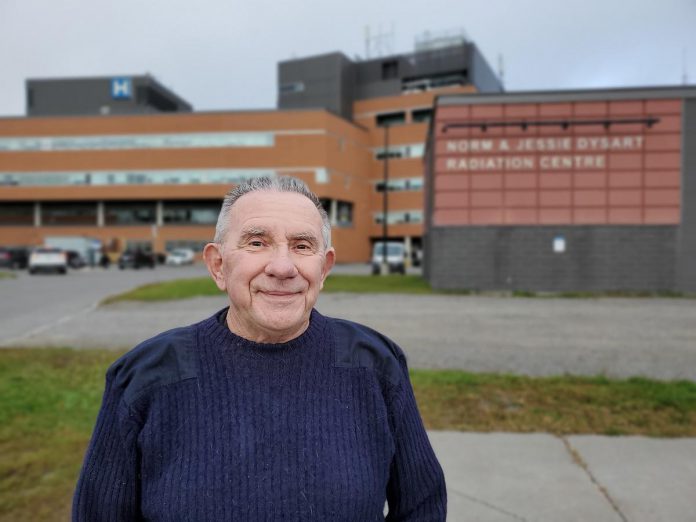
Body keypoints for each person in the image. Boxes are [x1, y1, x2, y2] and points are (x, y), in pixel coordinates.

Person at [73, 176, 446, 521]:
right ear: (218, 264)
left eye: (302, 246)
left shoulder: (376, 364)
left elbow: (422, 506)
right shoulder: (146, 375)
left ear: (325, 267)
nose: (282, 267)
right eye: (257, 243)